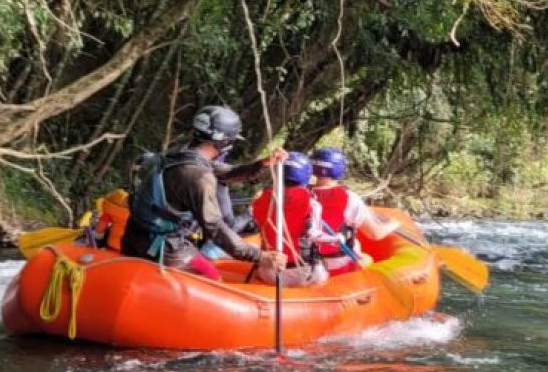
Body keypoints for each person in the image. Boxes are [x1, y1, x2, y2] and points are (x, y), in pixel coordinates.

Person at [121, 105, 287, 281]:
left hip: (134, 234)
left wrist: (262, 164)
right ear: (223, 142)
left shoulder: (178, 153)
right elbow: (214, 227)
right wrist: (260, 256)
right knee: (213, 277)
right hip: (165, 246)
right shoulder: (199, 177)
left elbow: (226, 172)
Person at [309, 147, 399, 274]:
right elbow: (375, 234)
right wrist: (394, 223)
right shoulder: (349, 198)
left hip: (305, 262)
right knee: (366, 258)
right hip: (336, 266)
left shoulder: (300, 194)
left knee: (356, 243)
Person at [250, 152, 328, 287]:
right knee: (323, 273)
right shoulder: (313, 204)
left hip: (269, 273)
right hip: (303, 273)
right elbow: (314, 235)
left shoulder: (259, 201)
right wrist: (336, 239)